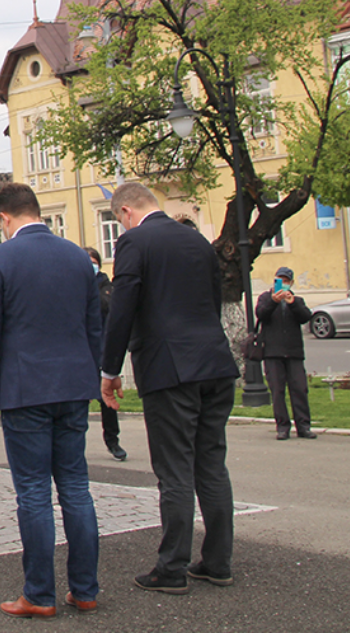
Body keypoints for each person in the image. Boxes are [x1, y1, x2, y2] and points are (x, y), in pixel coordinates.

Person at [100, 182, 239, 595]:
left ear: (125, 211)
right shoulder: (197, 240)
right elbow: (213, 300)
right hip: (215, 362)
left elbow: (122, 307)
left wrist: (110, 369)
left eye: (119, 220)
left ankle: (172, 567)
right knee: (211, 463)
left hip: (169, 369)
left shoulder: (134, 242)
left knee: (175, 468)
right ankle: (217, 561)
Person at [0, 183, 103, 617]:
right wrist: (93, 378)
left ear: (4, 218)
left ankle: (39, 594)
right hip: (74, 386)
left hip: (26, 388)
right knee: (76, 488)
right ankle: (85, 589)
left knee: (33, 492)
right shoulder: (78, 257)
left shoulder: (0, 258)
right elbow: (93, 327)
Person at [255, 266, 315, 440]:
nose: (283, 284)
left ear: (291, 283)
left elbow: (305, 317)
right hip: (272, 353)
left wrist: (293, 303)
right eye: (280, 281)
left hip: (293, 353)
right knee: (277, 391)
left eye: (286, 281)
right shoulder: (265, 298)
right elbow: (261, 314)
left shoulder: (297, 300)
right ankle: (282, 427)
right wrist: (273, 301)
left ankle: (303, 426)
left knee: (299, 390)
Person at [83, 247, 126, 461]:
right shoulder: (74, 285)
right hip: (81, 352)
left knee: (106, 400)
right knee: (78, 402)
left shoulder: (106, 287)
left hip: (101, 350)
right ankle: (74, 444)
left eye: (93, 262)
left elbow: (106, 306)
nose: (91, 266)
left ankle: (112, 440)